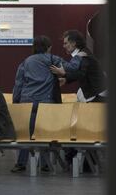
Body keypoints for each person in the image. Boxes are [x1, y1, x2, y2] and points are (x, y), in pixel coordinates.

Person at [11, 35, 83, 173]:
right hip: (46, 103)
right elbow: (71, 68)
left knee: (27, 134)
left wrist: (17, 102)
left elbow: (18, 84)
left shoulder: (25, 62)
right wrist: (79, 56)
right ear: (48, 47)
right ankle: (45, 164)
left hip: (27, 102)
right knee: (43, 133)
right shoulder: (52, 59)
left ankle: (21, 163)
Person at [50, 30, 107, 103]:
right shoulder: (83, 52)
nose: (63, 46)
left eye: (65, 43)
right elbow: (81, 73)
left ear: (73, 43)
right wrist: (66, 79)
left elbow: (81, 74)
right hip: (96, 92)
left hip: (98, 94)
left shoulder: (83, 55)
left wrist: (64, 74)